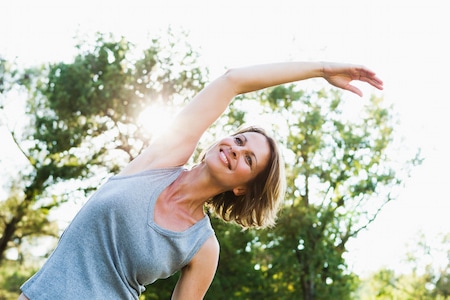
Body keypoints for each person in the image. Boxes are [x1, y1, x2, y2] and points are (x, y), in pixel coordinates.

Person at [19, 61, 383, 299]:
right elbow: (232, 81)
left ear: (242, 187)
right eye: (239, 140)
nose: (235, 150)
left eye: (248, 159)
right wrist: (320, 69)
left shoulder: (202, 248)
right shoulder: (161, 159)